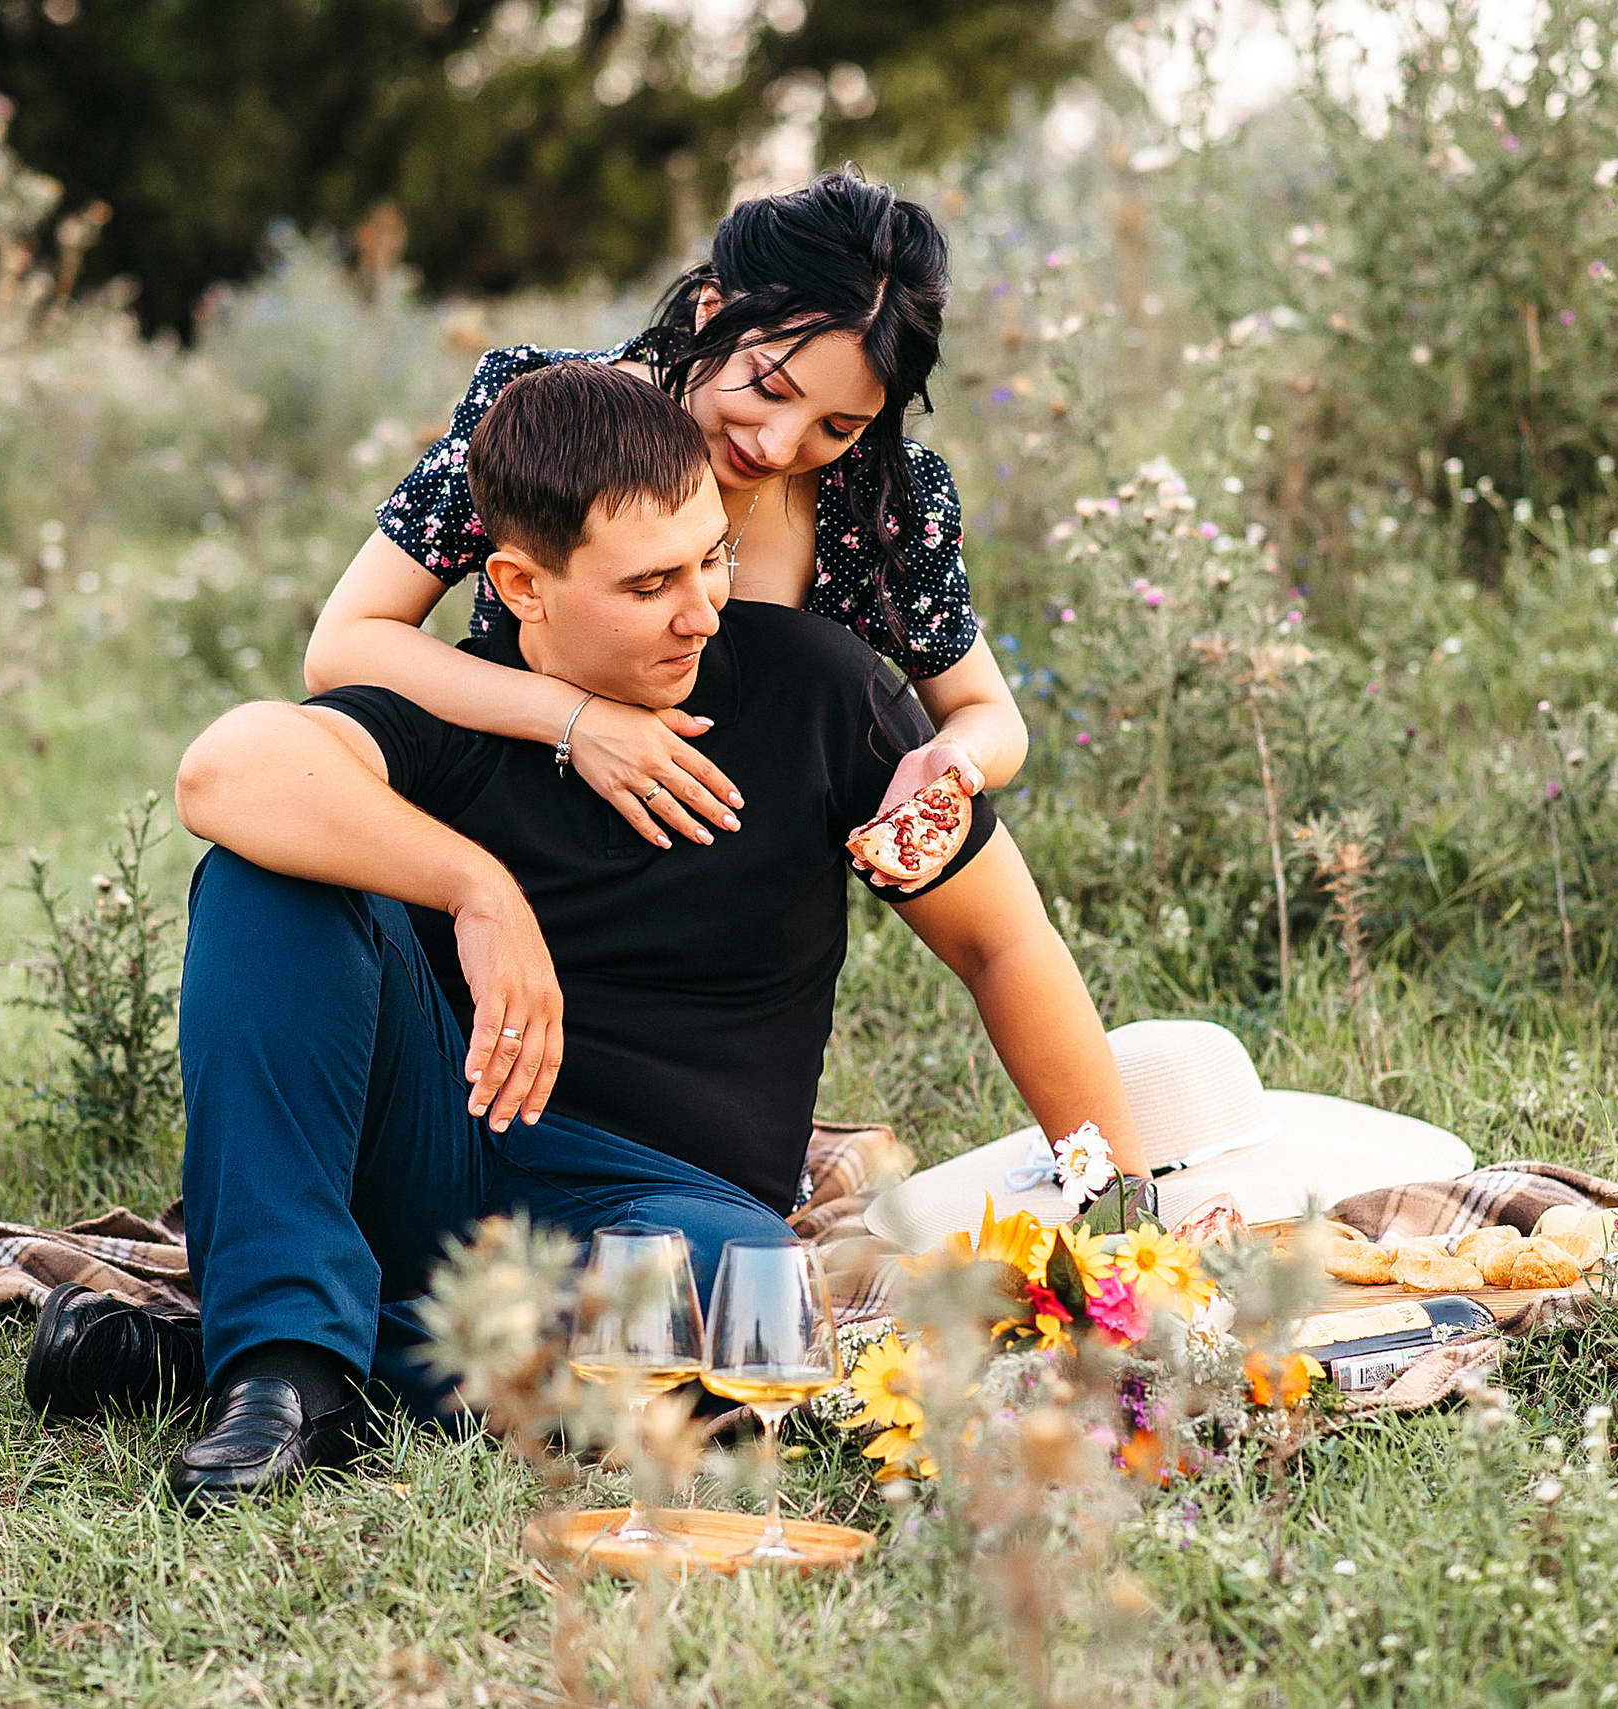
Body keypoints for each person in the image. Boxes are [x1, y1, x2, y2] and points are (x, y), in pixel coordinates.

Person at [57, 363, 1132, 1510]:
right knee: (266, 875)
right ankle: (281, 1373)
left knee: (745, 1301)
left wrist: (1124, 1209)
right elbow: (223, 770)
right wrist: (478, 887)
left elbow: (1001, 944)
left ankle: (264, 1349)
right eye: (651, 582)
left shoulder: (822, 696)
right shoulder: (456, 704)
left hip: (669, 1200)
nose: (701, 607)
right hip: (439, 1148)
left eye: (711, 555)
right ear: (521, 583)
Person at [303, 168, 1026, 884]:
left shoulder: (880, 496)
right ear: (712, 310)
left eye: (837, 425)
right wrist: (575, 719)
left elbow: (986, 712)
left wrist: (955, 758)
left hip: (738, 896)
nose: (776, 446)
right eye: (770, 385)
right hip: (511, 842)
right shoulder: (545, 416)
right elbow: (345, 643)